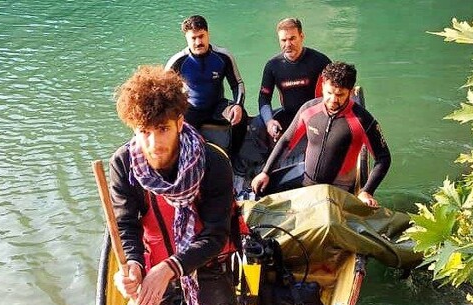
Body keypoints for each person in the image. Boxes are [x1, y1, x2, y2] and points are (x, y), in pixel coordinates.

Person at [108, 64, 269, 305]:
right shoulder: (123, 165)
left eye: (163, 129)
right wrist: (134, 266)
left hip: (203, 259)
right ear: (133, 129)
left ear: (181, 123)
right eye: (144, 131)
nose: (154, 143)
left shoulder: (213, 163)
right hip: (154, 257)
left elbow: (213, 235)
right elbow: (126, 225)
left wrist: (170, 270)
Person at [252, 61, 391, 207]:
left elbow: (383, 158)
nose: (333, 100)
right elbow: (286, 141)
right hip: (306, 177)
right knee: (260, 189)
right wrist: (266, 172)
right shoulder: (309, 109)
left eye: (340, 95)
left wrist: (366, 191)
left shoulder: (363, 120)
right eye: (329, 93)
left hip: (337, 189)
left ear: (350, 92)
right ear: (323, 85)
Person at [165, 15, 248, 157]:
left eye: (201, 36)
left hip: (218, 106)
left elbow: (237, 84)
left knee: (242, 117)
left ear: (208, 34)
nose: (198, 42)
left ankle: (234, 159)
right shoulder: (178, 61)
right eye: (193, 38)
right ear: (186, 38)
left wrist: (238, 105)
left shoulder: (223, 56)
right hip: (191, 108)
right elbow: (164, 91)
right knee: (172, 127)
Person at [259, 18, 331, 142]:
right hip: (290, 119)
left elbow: (338, 88)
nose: (288, 44)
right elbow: (264, 98)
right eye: (283, 40)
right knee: (257, 126)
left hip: (318, 118)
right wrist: (269, 122)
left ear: (301, 36)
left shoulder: (320, 61)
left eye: (292, 38)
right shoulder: (272, 65)